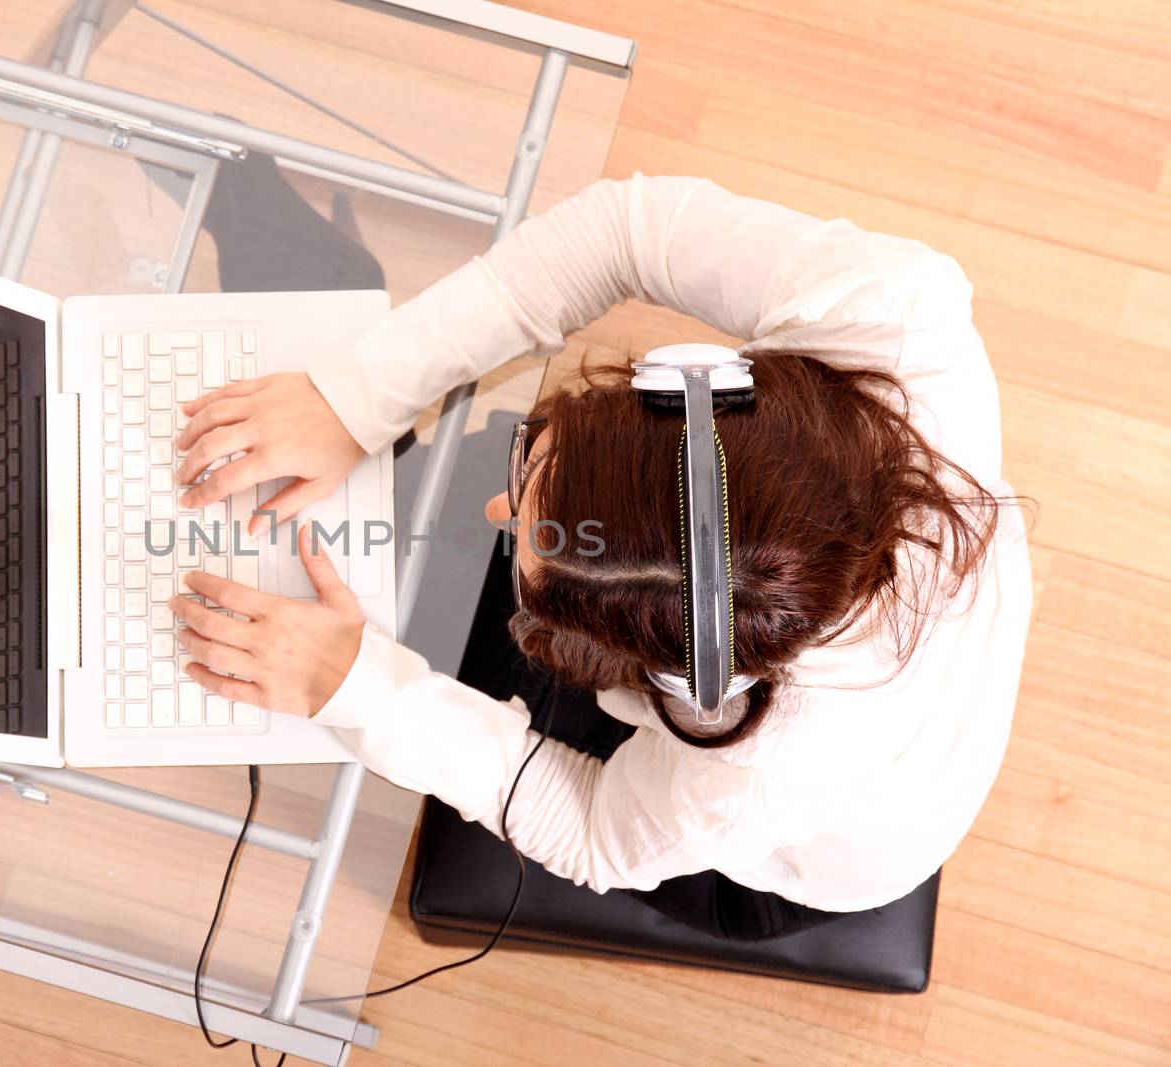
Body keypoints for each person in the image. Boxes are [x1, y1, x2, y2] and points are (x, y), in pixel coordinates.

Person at [164, 171, 1035, 939]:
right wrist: (354, 396)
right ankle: (314, 293)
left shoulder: (753, 773)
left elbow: (592, 832)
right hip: (858, 719)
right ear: (688, 384)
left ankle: (317, 284)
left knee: (420, 596)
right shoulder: (893, 311)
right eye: (535, 456)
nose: (498, 511)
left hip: (786, 866)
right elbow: (626, 228)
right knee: (434, 500)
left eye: (539, 555)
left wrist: (357, 690)